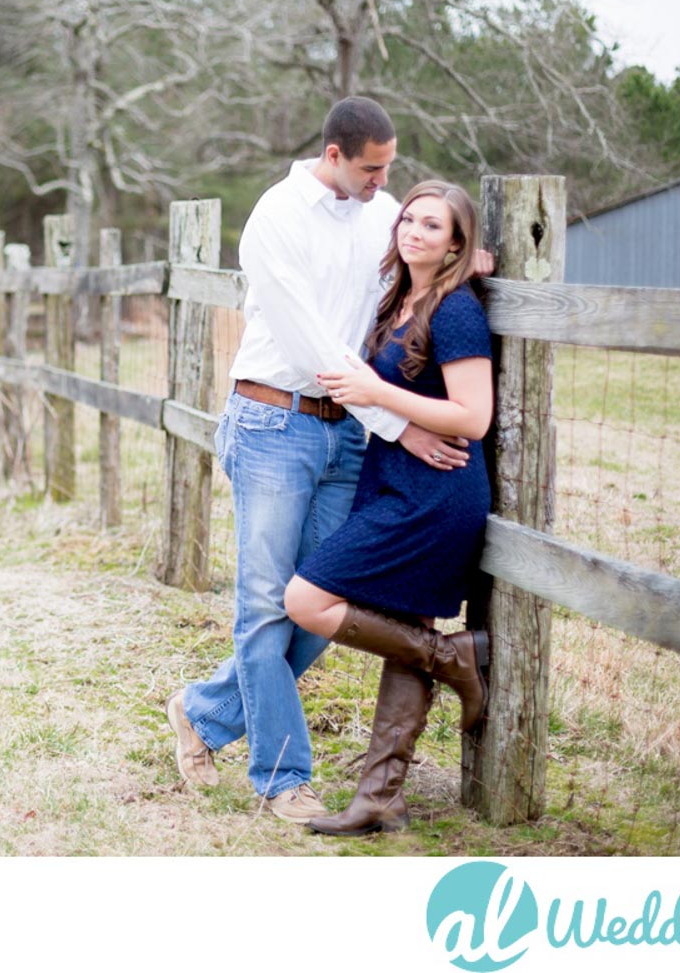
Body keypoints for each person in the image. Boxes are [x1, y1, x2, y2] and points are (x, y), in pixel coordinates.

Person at [163, 97, 479, 824]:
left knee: (329, 603)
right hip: (275, 418)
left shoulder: (380, 209)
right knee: (266, 606)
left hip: (345, 435)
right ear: (334, 156)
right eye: (373, 168)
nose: (384, 183)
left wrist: (476, 257)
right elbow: (312, 345)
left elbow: (424, 253)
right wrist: (399, 427)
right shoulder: (276, 218)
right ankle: (282, 778)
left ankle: (202, 712)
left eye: (390, 168)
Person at [284, 179, 493, 837]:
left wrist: (379, 391)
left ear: (457, 242)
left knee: (306, 599)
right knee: (405, 627)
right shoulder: (399, 299)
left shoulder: (454, 310)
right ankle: (380, 796)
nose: (414, 232)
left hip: (435, 495)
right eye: (408, 219)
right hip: (395, 480)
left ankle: (451, 655)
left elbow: (474, 415)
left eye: (434, 226)